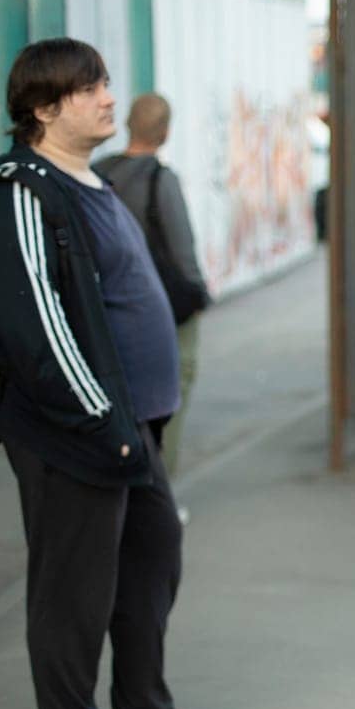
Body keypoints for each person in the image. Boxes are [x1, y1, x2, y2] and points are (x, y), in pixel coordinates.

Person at [0, 38, 200, 709]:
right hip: (74, 434)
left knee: (150, 556)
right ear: (42, 109)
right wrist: (103, 421)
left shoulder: (90, 181)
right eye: (89, 87)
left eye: (105, 80)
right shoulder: (20, 195)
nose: (109, 95)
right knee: (72, 591)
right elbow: (38, 331)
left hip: (127, 430)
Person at [94, 93, 212, 482]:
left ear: (127, 123)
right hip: (162, 309)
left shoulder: (99, 173)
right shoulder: (162, 179)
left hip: (108, 308)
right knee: (173, 392)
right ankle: (159, 490)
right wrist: (198, 294)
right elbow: (183, 250)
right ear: (164, 132)